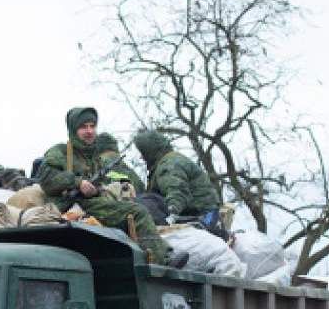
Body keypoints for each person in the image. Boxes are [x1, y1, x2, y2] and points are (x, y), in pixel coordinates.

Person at [38, 107, 173, 264]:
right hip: (68, 205)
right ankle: (161, 260)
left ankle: (149, 254)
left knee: (133, 206)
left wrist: (96, 190)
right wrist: (77, 183)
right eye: (83, 127)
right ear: (74, 130)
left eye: (92, 126)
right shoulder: (60, 152)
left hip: (89, 203)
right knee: (137, 212)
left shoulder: (93, 157)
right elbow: (46, 179)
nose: (89, 131)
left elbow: (97, 186)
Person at [133, 129, 221, 229]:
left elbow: (177, 190)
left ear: (149, 151)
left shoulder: (168, 164)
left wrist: (171, 215)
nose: (141, 157)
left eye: (143, 153)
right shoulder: (171, 160)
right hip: (201, 213)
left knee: (147, 201)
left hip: (202, 215)